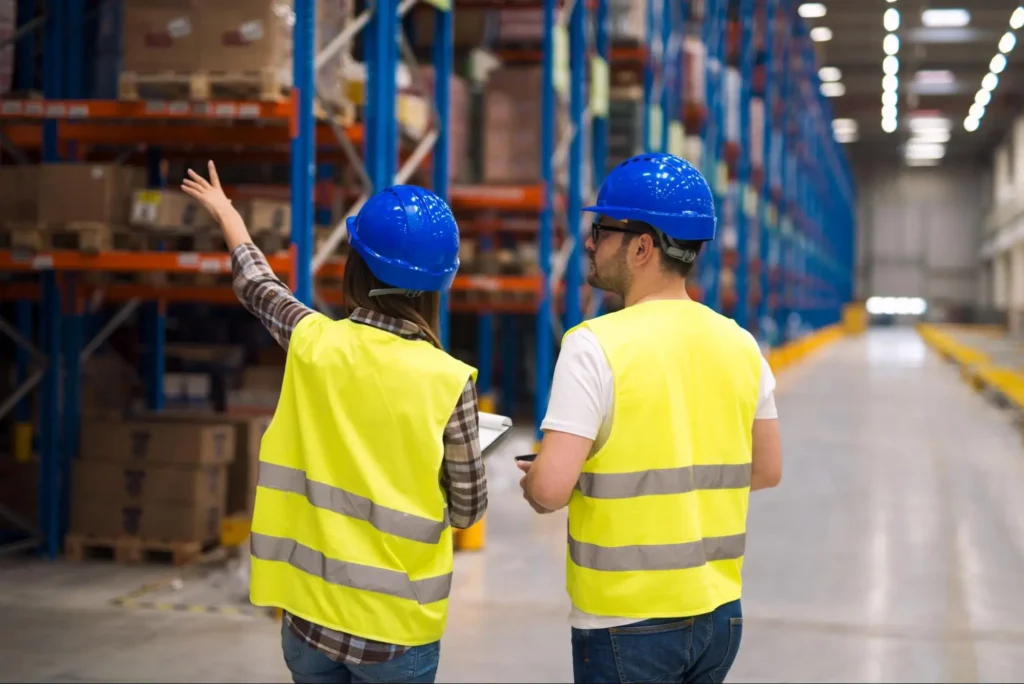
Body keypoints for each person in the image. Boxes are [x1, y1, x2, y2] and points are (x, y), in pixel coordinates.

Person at [182, 162, 487, 684]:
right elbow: (466, 510)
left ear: (356, 266)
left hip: (308, 619)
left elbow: (257, 285)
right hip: (395, 630)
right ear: (440, 284)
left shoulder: (312, 342)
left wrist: (229, 214)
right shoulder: (449, 380)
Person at [517, 153, 783, 684]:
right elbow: (767, 469)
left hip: (625, 619)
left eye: (602, 230)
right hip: (718, 614)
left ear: (643, 247)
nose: (591, 243)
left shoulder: (594, 345)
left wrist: (548, 475)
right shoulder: (741, 344)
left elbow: (548, 490)